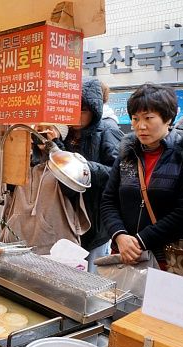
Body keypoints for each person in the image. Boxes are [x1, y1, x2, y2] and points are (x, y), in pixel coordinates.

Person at [101, 83, 183, 268]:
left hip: (167, 258)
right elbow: (108, 200)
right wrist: (119, 236)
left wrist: (140, 241)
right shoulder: (127, 153)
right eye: (135, 119)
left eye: (148, 118)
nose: (140, 126)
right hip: (124, 254)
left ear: (168, 118)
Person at [63, 78, 124, 272]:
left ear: (94, 109)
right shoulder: (64, 132)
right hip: (65, 216)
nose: (74, 115)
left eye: (82, 109)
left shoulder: (108, 130)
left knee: (90, 275)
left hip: (94, 221)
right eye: (70, 108)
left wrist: (84, 167)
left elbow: (119, 172)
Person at [2, 125, 90, 254]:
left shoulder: (71, 163)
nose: (41, 134)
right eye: (37, 130)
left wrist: (55, 147)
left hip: (56, 248)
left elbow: (71, 188)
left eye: (47, 129)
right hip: (16, 243)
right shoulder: (23, 162)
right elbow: (7, 188)